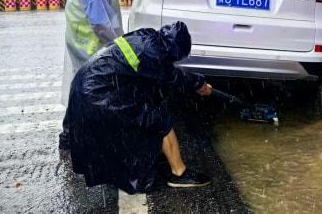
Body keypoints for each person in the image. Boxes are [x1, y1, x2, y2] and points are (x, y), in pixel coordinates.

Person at [66, 22, 213, 193]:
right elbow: (172, 76)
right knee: (159, 119)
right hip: (98, 97)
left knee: (144, 109)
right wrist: (199, 84)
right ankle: (179, 173)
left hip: (85, 88)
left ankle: (151, 156)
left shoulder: (147, 37)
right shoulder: (153, 53)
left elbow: (151, 74)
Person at [59, 0, 145, 151]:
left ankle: (71, 134)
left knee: (82, 88)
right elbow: (100, 26)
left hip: (86, 42)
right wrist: (121, 50)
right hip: (88, 46)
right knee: (90, 90)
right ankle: (75, 135)